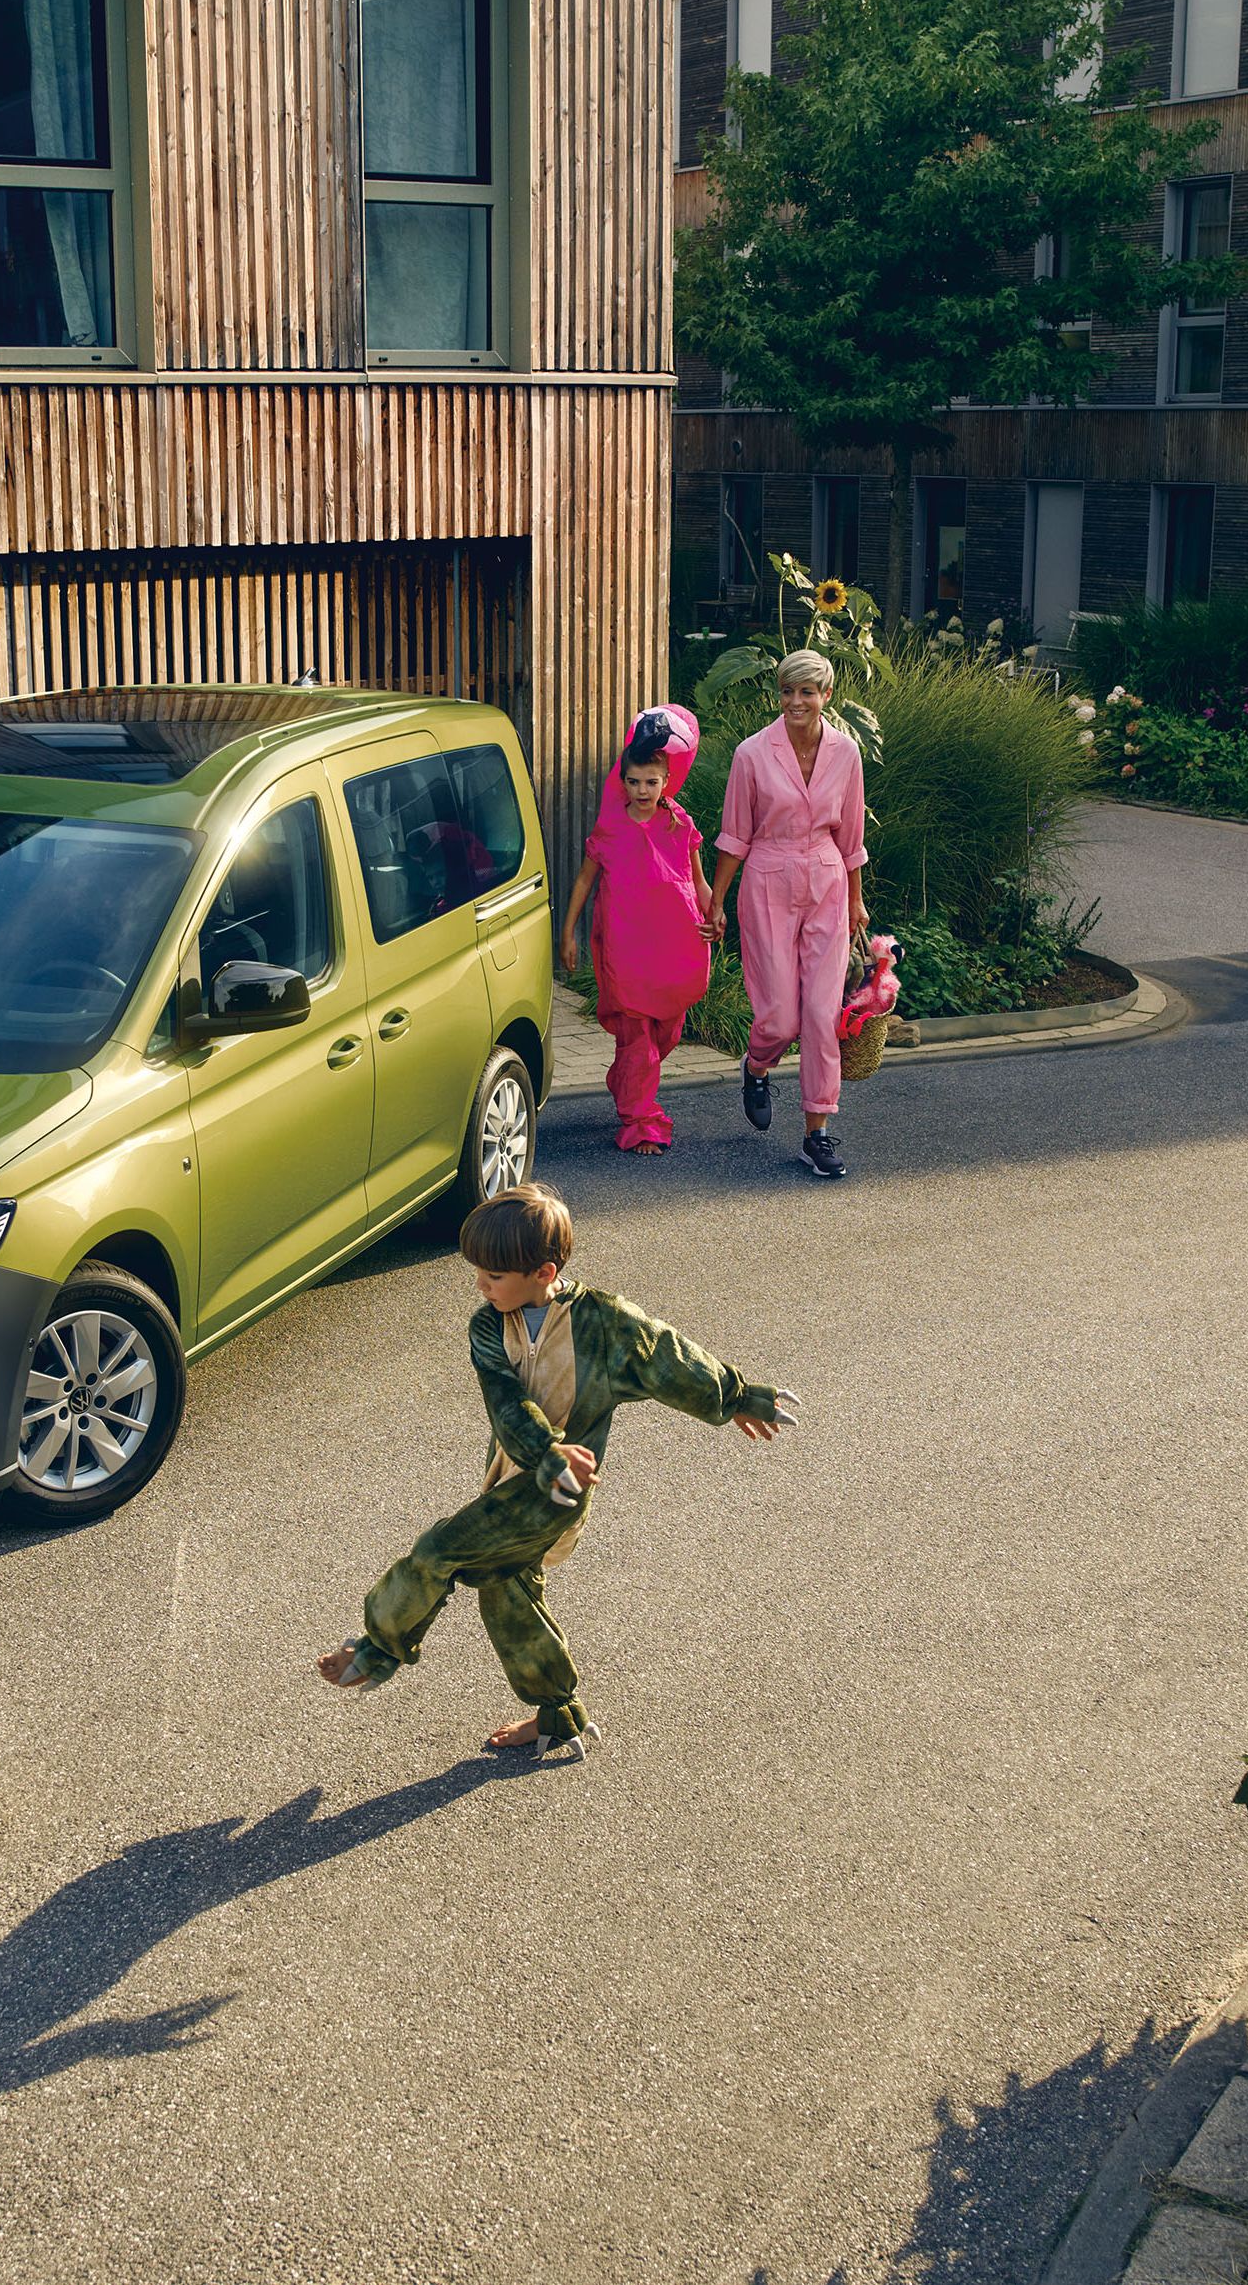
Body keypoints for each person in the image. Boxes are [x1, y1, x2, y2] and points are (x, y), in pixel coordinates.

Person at [316, 1183, 798, 1759]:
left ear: (544, 1272)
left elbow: (673, 1357)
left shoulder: (608, 1324)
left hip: (562, 1492)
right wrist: (543, 1450)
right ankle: (559, 1716)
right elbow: (505, 1402)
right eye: (478, 1273)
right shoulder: (488, 1326)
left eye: (493, 1277)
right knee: (505, 1592)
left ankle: (376, 1652)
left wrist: (738, 1395)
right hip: (515, 1474)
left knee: (438, 1550)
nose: (480, 1286)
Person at [706, 648, 869, 1182]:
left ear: (826, 695)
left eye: (807, 691)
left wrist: (857, 900)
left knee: (822, 1017)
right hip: (768, 880)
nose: (796, 701)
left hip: (826, 879)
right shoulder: (752, 754)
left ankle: (816, 1135)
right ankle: (756, 1067)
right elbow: (734, 835)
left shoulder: (847, 753)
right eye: (787, 691)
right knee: (779, 1016)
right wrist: (717, 900)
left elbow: (851, 840)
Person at [558, 705, 714, 1156]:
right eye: (633, 781)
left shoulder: (680, 823)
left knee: (666, 1030)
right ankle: (640, 1121)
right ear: (621, 781)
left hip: (676, 943)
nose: (642, 790)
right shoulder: (610, 826)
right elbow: (586, 880)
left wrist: (714, 914)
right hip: (625, 946)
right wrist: (567, 933)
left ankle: (626, 1078)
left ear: (666, 781)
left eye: (651, 781)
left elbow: (698, 880)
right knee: (638, 1035)